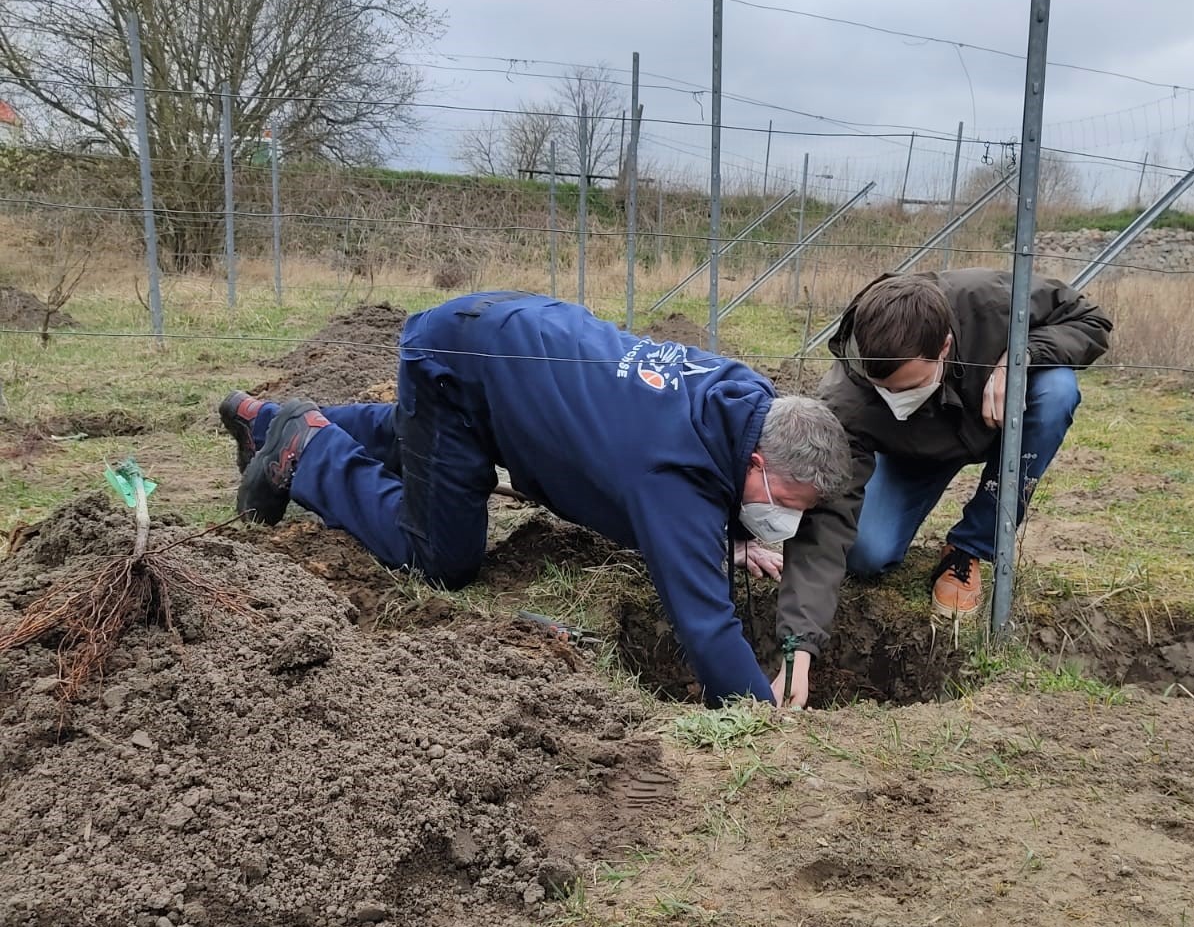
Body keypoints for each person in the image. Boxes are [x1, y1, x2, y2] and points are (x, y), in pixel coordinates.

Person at [219, 291, 850, 705]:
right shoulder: (670, 475)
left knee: (424, 440)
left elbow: (713, 481)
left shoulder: (745, 397)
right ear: (759, 462)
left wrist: (728, 534)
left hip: (518, 338)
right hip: (456, 360)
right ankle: (309, 451)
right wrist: (755, 712)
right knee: (441, 555)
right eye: (786, 500)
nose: (786, 518)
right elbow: (706, 625)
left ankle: (265, 420)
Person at [775, 270, 1111, 707]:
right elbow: (824, 526)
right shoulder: (846, 401)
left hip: (995, 419)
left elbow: (1090, 321)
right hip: (910, 449)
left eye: (909, 386)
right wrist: (799, 648)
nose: (895, 397)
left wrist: (1021, 357)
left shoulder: (989, 302)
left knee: (1057, 390)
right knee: (865, 553)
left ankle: (969, 548)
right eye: (883, 389)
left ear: (945, 347)